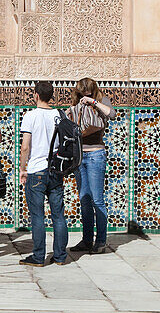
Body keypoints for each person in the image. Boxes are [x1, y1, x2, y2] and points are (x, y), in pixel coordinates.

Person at [19, 80, 68, 266]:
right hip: (56, 170)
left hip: (36, 171)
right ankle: (60, 256)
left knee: (37, 215)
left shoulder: (30, 116)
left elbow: (25, 147)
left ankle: (39, 256)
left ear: (36, 95)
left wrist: (23, 168)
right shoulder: (59, 115)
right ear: (51, 95)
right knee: (58, 215)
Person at [66, 78, 115, 254]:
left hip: (95, 155)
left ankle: (100, 241)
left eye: (87, 93)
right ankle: (86, 240)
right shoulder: (75, 104)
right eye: (81, 94)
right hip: (80, 156)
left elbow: (112, 114)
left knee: (97, 200)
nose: (84, 96)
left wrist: (93, 103)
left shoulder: (102, 101)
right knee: (84, 199)